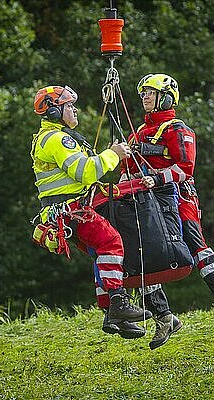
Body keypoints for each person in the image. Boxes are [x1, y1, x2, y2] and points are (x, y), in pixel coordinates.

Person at [121, 73, 214, 349]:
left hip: (179, 198)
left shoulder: (178, 129)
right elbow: (126, 171)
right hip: (146, 202)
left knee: (195, 244)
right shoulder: (137, 132)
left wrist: (158, 178)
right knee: (146, 255)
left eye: (149, 93)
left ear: (165, 97)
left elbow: (185, 168)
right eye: (142, 94)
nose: (144, 98)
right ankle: (164, 316)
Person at [31, 85, 151, 339]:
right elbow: (85, 171)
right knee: (111, 242)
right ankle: (119, 303)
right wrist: (113, 154)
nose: (74, 110)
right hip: (71, 210)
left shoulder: (52, 137)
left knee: (101, 252)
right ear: (54, 111)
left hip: (63, 212)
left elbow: (84, 172)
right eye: (69, 106)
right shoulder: (57, 139)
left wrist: (107, 155)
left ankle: (111, 312)